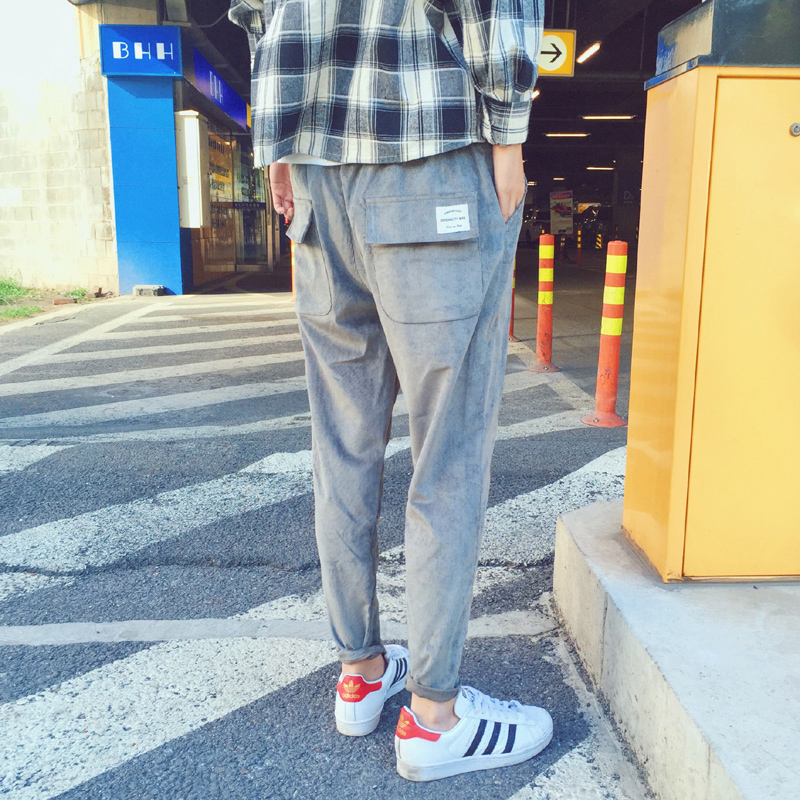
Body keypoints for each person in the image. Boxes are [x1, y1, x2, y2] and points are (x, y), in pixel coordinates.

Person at [229, 0, 553, 782]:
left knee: (342, 444)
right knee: (449, 451)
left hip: (314, 169)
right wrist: (509, 137)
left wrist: (277, 146)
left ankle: (361, 671)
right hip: (432, 151)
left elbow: (258, 12)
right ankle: (435, 718)